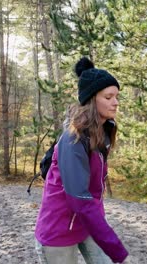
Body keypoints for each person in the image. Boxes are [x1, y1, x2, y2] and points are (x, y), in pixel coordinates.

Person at [34, 57, 129, 264]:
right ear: (92, 100)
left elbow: (94, 186)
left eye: (116, 96)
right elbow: (79, 197)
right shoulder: (73, 139)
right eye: (109, 97)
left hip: (87, 222)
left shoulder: (103, 132)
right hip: (59, 229)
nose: (116, 102)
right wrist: (115, 246)